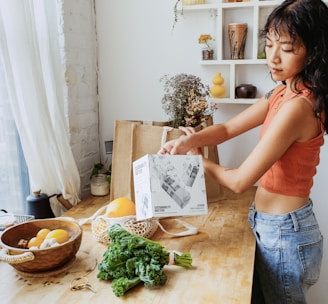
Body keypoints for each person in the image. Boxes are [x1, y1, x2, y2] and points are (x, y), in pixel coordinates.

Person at [160, 0, 328, 303]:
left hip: (285, 235)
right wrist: (191, 140)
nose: (273, 57)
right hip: (271, 227)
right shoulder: (282, 91)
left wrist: (200, 163)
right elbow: (226, 130)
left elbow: (238, 181)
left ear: (314, 51)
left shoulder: (299, 107)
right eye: (269, 44)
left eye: (287, 49)